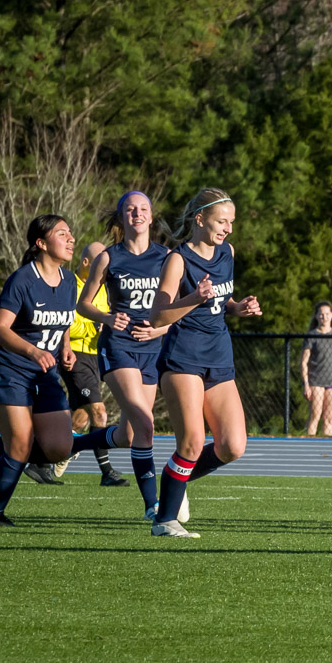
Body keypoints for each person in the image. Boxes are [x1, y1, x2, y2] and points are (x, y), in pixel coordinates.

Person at [149, 188, 262, 538]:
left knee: (233, 446)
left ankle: (175, 482)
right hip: (183, 357)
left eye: (231, 221)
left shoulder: (226, 252)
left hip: (219, 355)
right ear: (200, 220)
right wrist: (193, 299)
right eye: (221, 220)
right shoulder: (177, 260)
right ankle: (164, 521)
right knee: (193, 442)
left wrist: (237, 307)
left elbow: (222, 299)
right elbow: (157, 317)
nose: (227, 228)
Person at [78, 190, 174, 521]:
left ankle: (73, 445)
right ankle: (153, 507)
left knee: (130, 434)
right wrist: (106, 318)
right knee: (145, 424)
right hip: (119, 346)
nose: (137, 213)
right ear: (122, 218)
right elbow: (84, 303)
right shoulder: (108, 257)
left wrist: (160, 331)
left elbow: (179, 309)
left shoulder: (167, 257)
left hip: (153, 348)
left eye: (143, 208)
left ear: (151, 215)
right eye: (131, 209)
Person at [0, 216, 78, 526]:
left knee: (60, 447)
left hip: (44, 374)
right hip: (9, 369)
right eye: (62, 233)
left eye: (70, 233)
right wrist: (33, 350)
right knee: (21, 443)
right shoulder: (23, 279)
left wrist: (65, 346)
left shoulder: (70, 280)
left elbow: (63, 319)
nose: (71, 238)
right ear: (41, 243)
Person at [24, 240, 129, 488]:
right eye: (98, 264)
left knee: (79, 419)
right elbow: (65, 321)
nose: (104, 269)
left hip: (97, 354)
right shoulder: (72, 285)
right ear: (85, 263)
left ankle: (41, 459)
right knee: (99, 412)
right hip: (77, 355)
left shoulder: (103, 287)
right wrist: (87, 331)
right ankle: (107, 472)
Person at [302, 301, 332, 436]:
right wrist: (306, 384)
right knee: (315, 416)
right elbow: (304, 362)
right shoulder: (312, 336)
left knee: (329, 419)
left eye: (327, 314)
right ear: (316, 316)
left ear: (331, 315)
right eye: (321, 314)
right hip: (316, 381)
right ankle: (309, 444)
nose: (324, 317)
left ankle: (327, 448)